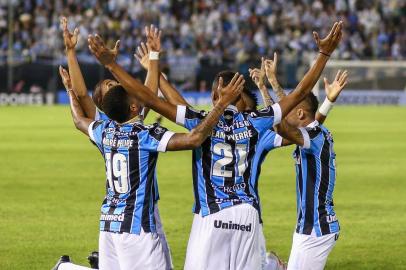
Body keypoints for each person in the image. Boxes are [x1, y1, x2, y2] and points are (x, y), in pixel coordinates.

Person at [87, 21, 343, 269]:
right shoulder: (256, 122)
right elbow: (299, 94)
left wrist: (112, 64)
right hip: (247, 214)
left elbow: (151, 99)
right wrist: (324, 54)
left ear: (213, 96)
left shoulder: (201, 121)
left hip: (212, 214)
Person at [56, 39, 245, 270]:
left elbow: (78, 120)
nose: (139, 95)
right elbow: (194, 138)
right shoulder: (144, 133)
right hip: (138, 224)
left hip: (110, 221)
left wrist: (68, 89)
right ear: (132, 107)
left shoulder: (103, 130)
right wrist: (221, 105)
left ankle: (67, 268)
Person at [58, 18, 173, 269]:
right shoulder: (104, 125)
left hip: (143, 208)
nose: (116, 86)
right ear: (101, 104)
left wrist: (154, 56)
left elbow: (149, 95)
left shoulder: (128, 119)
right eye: (110, 86)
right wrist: (70, 52)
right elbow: (80, 94)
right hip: (132, 213)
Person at [249, 54, 348, 270]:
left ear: (301, 113)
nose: (285, 111)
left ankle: (274, 266)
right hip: (310, 226)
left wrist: (268, 87)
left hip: (316, 229)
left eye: (291, 110)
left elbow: (280, 124)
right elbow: (287, 115)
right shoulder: (313, 132)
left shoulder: (312, 137)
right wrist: (271, 83)